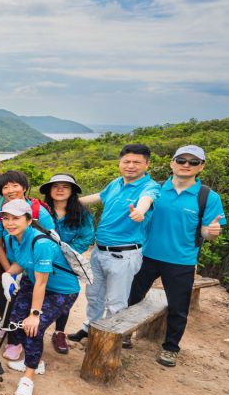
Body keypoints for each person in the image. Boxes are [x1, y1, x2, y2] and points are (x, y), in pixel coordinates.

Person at [126, 146, 225, 367]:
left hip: (182, 260)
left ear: (201, 167)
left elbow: (207, 233)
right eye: (181, 160)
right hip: (147, 255)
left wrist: (211, 232)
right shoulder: (156, 189)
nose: (186, 165)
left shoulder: (208, 197)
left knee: (178, 307)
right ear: (172, 163)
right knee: (131, 297)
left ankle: (171, 348)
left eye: (193, 162)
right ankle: (125, 333)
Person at [68, 144, 161, 344]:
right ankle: (90, 328)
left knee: (116, 301)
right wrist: (65, 201)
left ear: (147, 164)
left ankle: (109, 341)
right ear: (120, 163)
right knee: (94, 296)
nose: (131, 166)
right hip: (99, 251)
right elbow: (96, 198)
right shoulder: (116, 183)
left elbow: (147, 199)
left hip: (123, 255)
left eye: (137, 162)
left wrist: (140, 211)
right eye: (127, 161)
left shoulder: (149, 186)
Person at [0, 199, 81, 395]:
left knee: (33, 328)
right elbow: (22, 261)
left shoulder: (41, 243)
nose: (9, 223)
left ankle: (29, 377)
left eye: (15, 218)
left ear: (28, 220)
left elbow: (42, 283)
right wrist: (8, 274)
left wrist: (35, 315)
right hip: (32, 279)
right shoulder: (11, 238)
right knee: (16, 320)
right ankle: (35, 359)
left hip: (61, 289)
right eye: (6, 218)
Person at [0, 169, 56, 358]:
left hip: (35, 264)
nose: (10, 190)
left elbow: (50, 239)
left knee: (25, 302)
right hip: (11, 263)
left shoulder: (37, 211)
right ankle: (6, 325)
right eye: (5, 187)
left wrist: (27, 267)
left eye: (15, 185)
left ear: (24, 188)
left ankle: (15, 341)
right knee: (4, 300)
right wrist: (9, 271)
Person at [40, 173, 95, 354]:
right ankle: (35, 331)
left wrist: (66, 252)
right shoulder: (42, 211)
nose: (60, 190)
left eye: (65, 186)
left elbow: (86, 236)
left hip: (68, 262)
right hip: (42, 260)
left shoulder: (81, 213)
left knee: (64, 297)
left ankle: (59, 332)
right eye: (56, 186)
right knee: (39, 292)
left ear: (72, 191)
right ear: (49, 190)